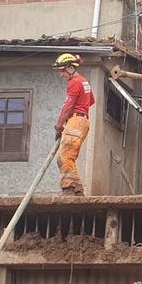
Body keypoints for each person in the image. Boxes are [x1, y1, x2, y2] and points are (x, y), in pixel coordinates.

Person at [53, 53, 95, 196]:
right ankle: (77, 189)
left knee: (64, 157)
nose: (61, 74)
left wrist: (59, 126)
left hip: (76, 121)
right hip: (84, 122)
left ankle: (68, 188)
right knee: (69, 156)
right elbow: (91, 100)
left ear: (71, 68)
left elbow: (67, 106)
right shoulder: (84, 81)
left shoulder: (74, 83)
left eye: (62, 70)